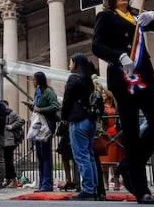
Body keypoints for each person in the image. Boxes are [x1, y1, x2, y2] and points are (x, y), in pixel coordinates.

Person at [92, 0, 154, 204]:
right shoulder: (106, 17)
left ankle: (128, 164)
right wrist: (119, 57)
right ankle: (141, 189)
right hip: (122, 78)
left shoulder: (137, 16)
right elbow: (97, 46)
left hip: (143, 77)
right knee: (132, 132)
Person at [61, 53, 100, 200]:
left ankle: (88, 190)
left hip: (77, 120)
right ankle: (94, 188)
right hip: (90, 121)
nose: (69, 65)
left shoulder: (73, 78)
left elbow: (67, 100)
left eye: (70, 63)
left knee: (81, 156)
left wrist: (64, 117)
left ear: (76, 64)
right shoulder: (88, 81)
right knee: (89, 156)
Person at [26, 71, 59, 193]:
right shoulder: (37, 92)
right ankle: (42, 183)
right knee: (40, 155)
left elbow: (55, 106)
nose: (33, 82)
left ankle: (47, 184)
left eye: (34, 80)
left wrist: (40, 109)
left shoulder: (48, 91)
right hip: (38, 125)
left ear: (39, 80)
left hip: (46, 125)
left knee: (45, 155)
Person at [99, 90, 124, 191]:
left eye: (104, 94)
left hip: (115, 133)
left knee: (114, 161)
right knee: (104, 161)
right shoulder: (101, 106)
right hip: (104, 133)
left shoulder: (115, 107)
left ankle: (116, 181)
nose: (103, 95)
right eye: (102, 94)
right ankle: (105, 183)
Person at [3, 100, 25, 188]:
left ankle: (13, 180)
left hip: (10, 140)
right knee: (5, 161)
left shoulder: (12, 113)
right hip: (3, 140)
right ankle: (8, 179)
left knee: (9, 161)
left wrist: (11, 126)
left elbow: (21, 121)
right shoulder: (1, 114)